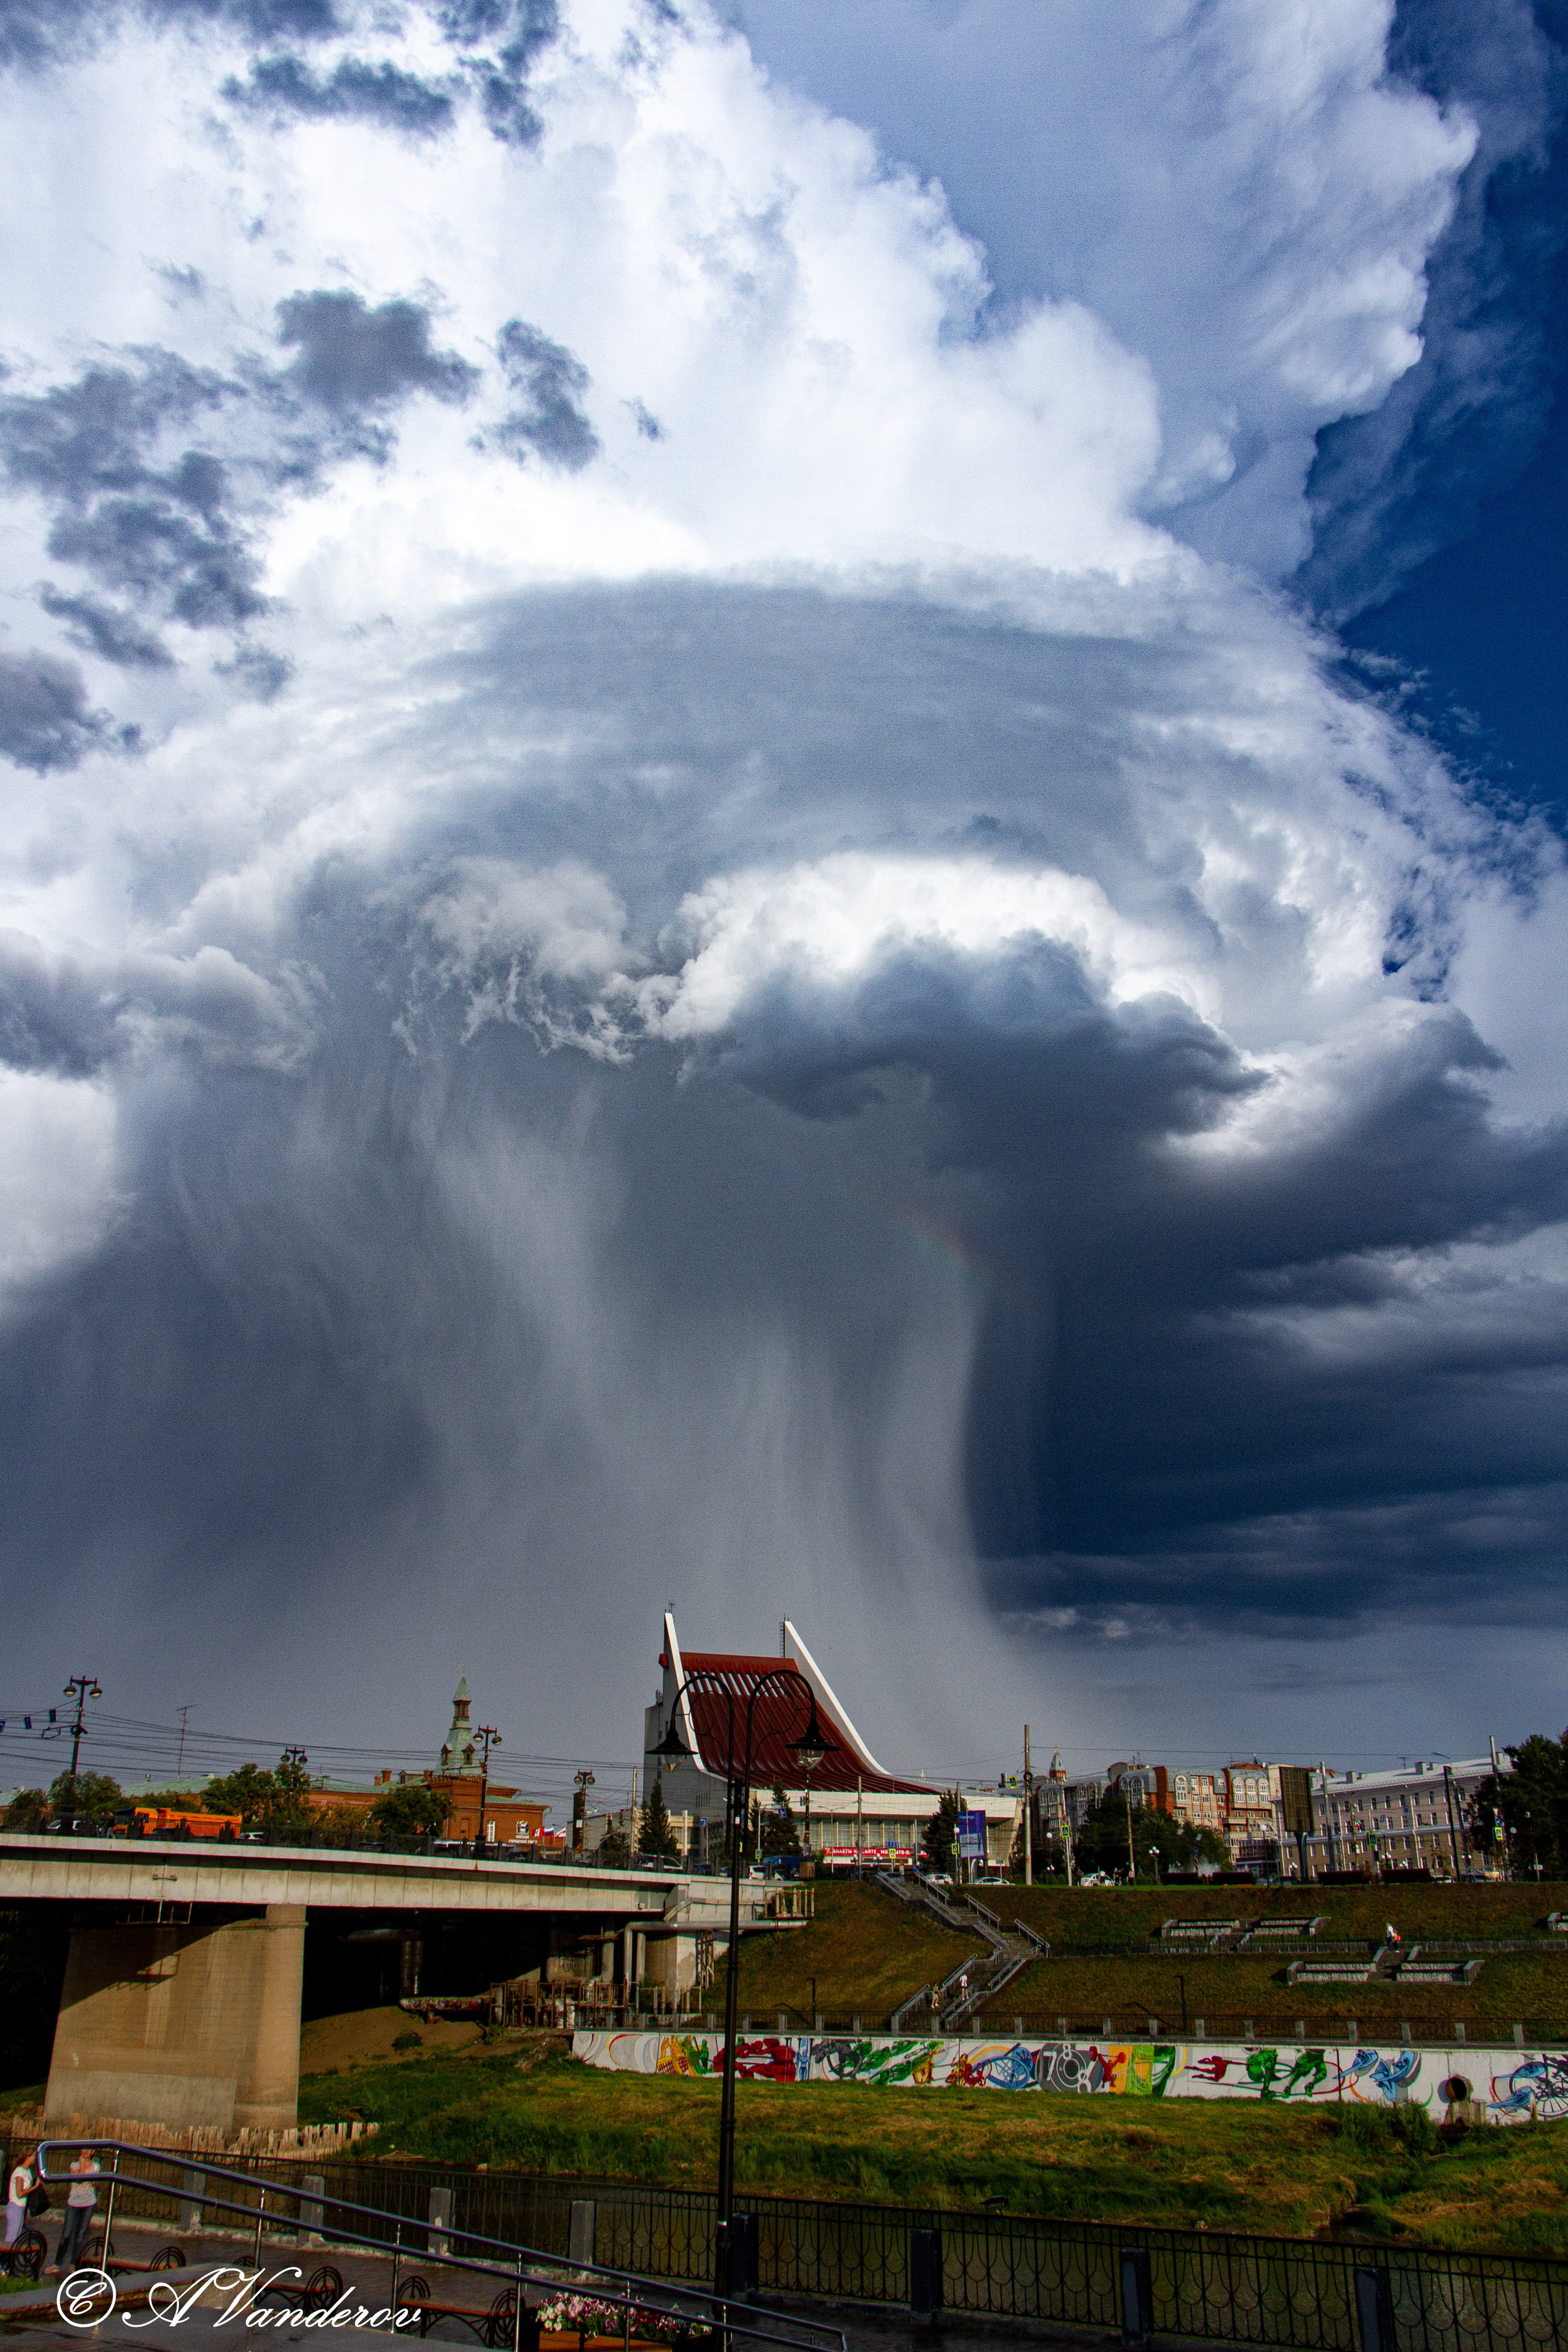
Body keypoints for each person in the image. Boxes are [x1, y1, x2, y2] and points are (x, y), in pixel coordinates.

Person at [50, 2150, 99, 2276]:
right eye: (84, 2149)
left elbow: (97, 2184)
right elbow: (79, 2180)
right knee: (67, 2234)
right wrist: (82, 2164)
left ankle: (73, 2264)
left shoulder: (96, 2166)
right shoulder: (74, 2165)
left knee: (81, 2234)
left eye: (89, 2149)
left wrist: (95, 2181)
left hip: (88, 2203)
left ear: (93, 2152)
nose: (86, 2152)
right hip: (74, 2204)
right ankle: (57, 2263)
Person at [4, 2146, 37, 2250]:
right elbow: (20, 2193)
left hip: (21, 2208)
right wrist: (35, 2187)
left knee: (16, 2237)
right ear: (27, 2157)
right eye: (33, 2156)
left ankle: (7, 2264)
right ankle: (3, 2264)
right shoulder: (20, 2173)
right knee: (11, 2239)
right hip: (15, 2207)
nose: (35, 2158)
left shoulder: (27, 2171)